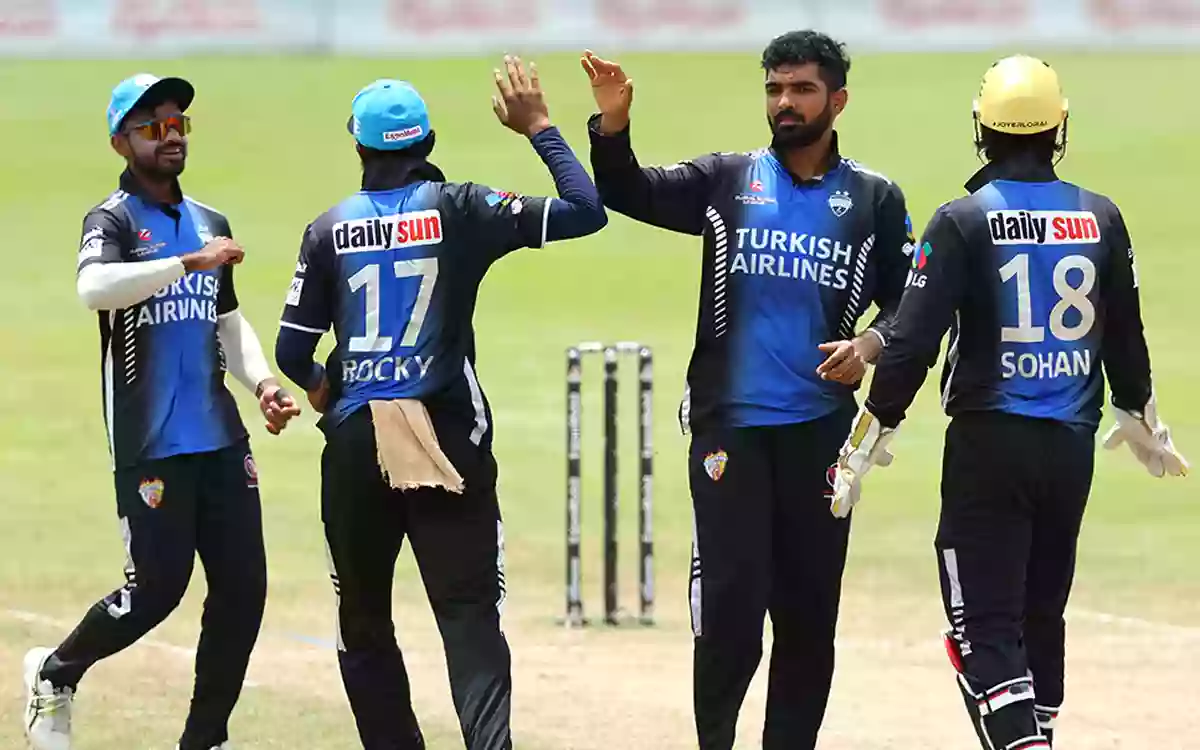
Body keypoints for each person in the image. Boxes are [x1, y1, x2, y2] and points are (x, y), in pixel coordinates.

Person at [831, 55, 1190, 750]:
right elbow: (1126, 334)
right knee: (1040, 615)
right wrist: (1140, 414)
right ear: (1059, 128)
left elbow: (911, 344)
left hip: (989, 446)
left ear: (981, 130)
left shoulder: (963, 219)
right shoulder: (1101, 217)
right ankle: (1038, 736)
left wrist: (868, 434)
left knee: (981, 630)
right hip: (1070, 447)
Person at [582, 30, 914, 750]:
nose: (784, 103)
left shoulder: (874, 199)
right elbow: (627, 190)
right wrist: (612, 125)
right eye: (774, 89)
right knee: (731, 614)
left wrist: (871, 345)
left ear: (838, 100)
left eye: (801, 89)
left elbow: (909, 303)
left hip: (820, 435)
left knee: (807, 618)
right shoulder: (727, 180)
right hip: (729, 428)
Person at [272, 57, 606, 750]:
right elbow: (585, 210)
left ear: (359, 146)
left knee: (363, 620)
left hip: (358, 439)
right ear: (427, 142)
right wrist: (540, 128)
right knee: (469, 617)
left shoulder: (327, 228)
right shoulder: (460, 207)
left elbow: (291, 351)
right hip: (448, 435)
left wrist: (322, 386)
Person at [23, 73, 302, 750]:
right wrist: (186, 263)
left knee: (243, 591)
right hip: (150, 443)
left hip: (220, 438)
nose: (170, 136)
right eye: (152, 128)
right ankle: (55, 676)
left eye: (178, 124)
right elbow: (94, 289)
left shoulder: (210, 221)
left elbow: (226, 319)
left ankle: (205, 738)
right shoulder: (112, 221)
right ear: (120, 142)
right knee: (156, 591)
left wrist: (262, 383)